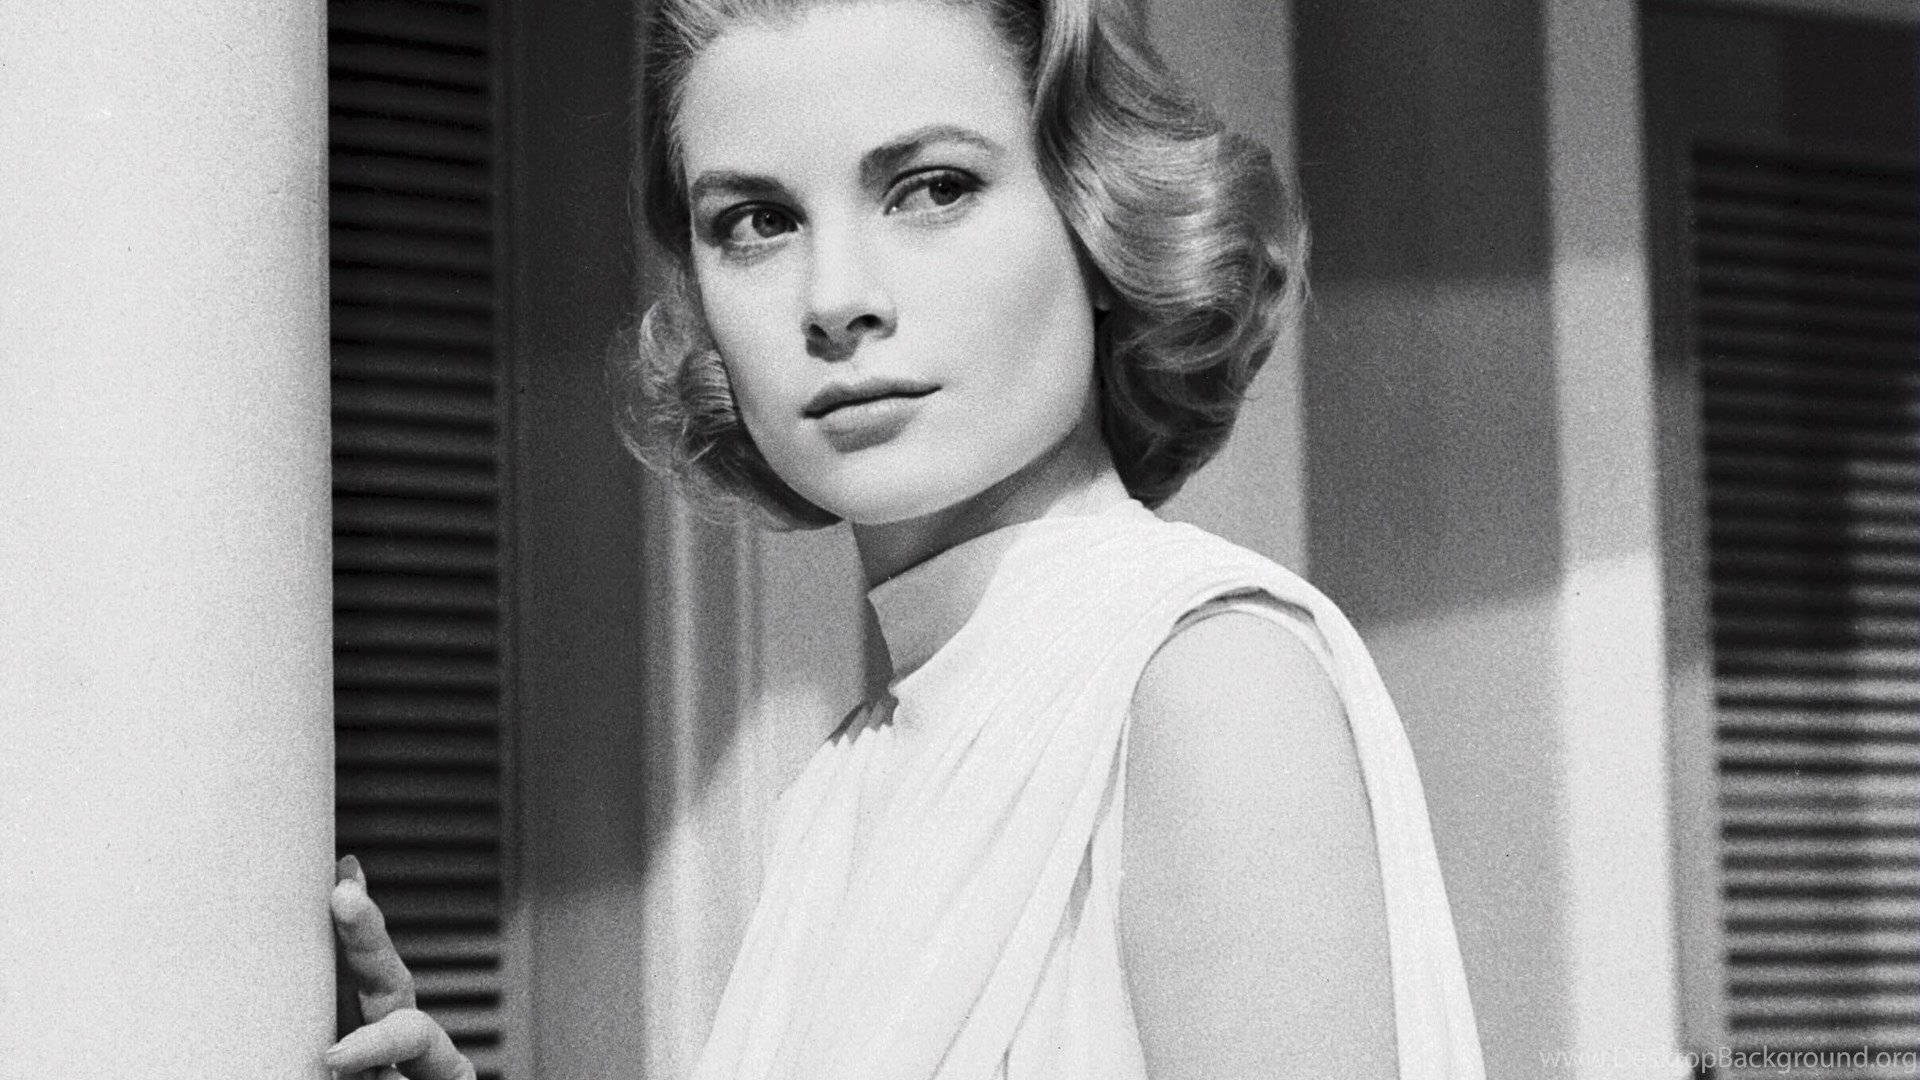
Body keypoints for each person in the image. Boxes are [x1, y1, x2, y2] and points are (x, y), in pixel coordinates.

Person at [327, 0, 1486, 1076]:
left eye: (932, 189)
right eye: (757, 223)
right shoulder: (846, 782)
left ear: (1100, 215)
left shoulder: (1204, 683)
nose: (836, 298)